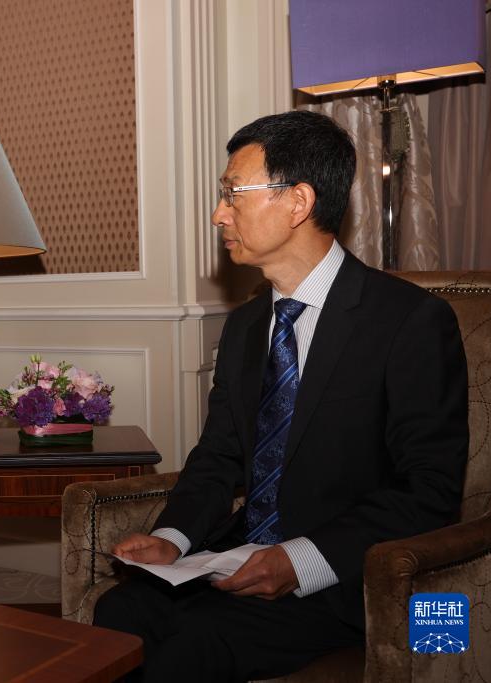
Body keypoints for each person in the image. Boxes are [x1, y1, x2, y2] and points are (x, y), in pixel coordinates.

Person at [93, 110, 468, 681]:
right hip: (235, 559)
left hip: (348, 578)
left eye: (232, 194)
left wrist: (299, 560)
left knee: (194, 644)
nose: (219, 214)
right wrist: (172, 538)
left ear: (297, 202)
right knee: (118, 613)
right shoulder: (246, 326)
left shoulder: (409, 322)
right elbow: (218, 455)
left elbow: (430, 490)